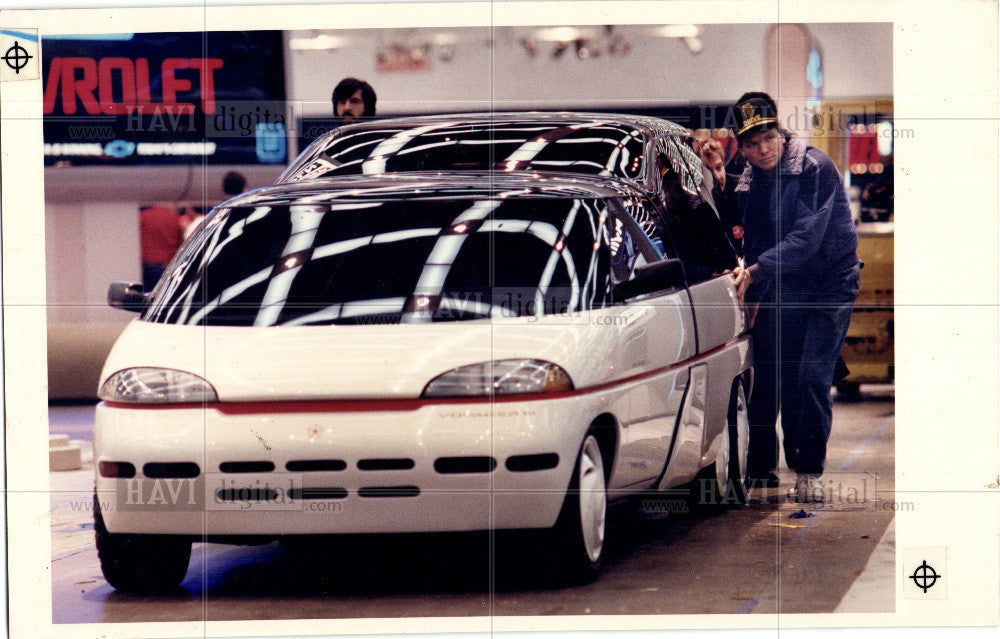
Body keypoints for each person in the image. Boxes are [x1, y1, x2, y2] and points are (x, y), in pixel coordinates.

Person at [727, 92, 860, 503]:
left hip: (829, 284)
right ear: (742, 146)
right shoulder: (745, 178)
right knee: (773, 377)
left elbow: (805, 239)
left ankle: (808, 470)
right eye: (751, 143)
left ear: (780, 132)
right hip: (783, 285)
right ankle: (764, 468)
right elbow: (747, 234)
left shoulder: (814, 168)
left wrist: (753, 272)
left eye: (768, 137)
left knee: (811, 377)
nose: (762, 149)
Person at [139, 203, 185, 290]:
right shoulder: (174, 217)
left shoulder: (143, 216)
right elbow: (181, 242)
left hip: (147, 264)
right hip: (167, 265)